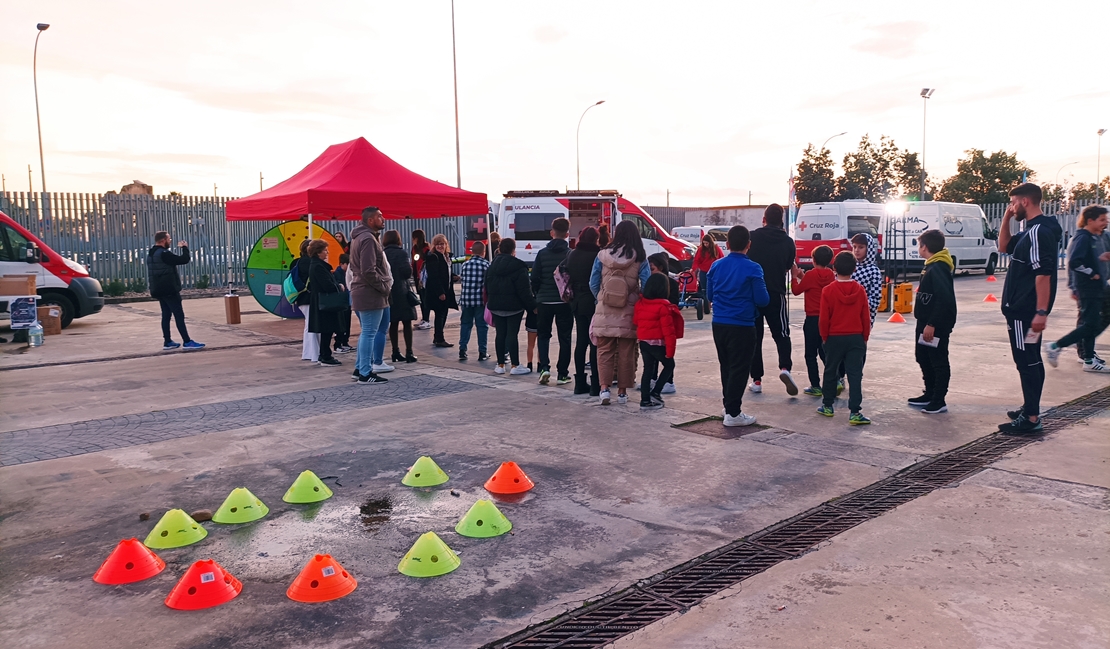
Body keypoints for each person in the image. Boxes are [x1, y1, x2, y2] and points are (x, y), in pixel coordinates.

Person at [997, 183, 1062, 434]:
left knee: (1026, 361)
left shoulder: (1038, 232)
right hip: (1022, 311)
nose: (1011, 208)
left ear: (1025, 201)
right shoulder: (1029, 232)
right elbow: (1003, 247)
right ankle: (1030, 407)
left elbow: (1043, 274)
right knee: (1030, 360)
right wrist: (1006, 218)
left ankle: (1031, 419)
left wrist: (1041, 311)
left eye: (1013, 203)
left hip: (1024, 312)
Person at [707, 225, 768, 426]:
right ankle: (733, 413)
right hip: (742, 324)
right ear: (748, 245)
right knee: (740, 368)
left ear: (727, 244)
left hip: (719, 323)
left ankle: (728, 406)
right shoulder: (754, 268)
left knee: (726, 366)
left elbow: (709, 294)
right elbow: (762, 299)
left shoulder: (716, 266)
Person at [591, 220, 651, 405]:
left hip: (604, 309)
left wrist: (602, 297)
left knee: (604, 350)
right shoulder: (640, 257)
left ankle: (604, 390)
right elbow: (647, 284)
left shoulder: (601, 255)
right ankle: (623, 393)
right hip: (629, 311)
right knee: (626, 351)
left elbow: (593, 283)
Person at [1046, 205, 1110, 373]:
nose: (1106, 222)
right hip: (1088, 288)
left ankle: (1087, 355)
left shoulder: (1100, 236)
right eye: (1102, 219)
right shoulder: (1083, 238)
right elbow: (1075, 262)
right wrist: (1092, 273)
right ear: (1090, 221)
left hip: (1101, 286)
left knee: (1094, 322)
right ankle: (1056, 346)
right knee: (1089, 324)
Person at [746, 203, 799, 396]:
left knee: (754, 337)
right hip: (776, 293)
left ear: (764, 219)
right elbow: (787, 266)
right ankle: (785, 368)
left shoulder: (752, 237)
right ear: (782, 221)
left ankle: (756, 380)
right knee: (782, 334)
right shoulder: (787, 242)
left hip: (753, 295)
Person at [817, 252, 872, 425]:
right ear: (855, 269)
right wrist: (865, 337)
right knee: (855, 374)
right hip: (856, 337)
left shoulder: (828, 291)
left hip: (834, 337)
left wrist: (824, 337)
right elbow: (865, 316)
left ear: (834, 268)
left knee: (830, 370)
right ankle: (855, 412)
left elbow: (824, 318)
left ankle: (827, 405)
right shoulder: (860, 290)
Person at [908, 230, 957, 414]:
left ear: (925, 247)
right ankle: (929, 393)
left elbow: (944, 299)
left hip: (934, 324)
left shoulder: (938, 268)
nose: (918, 248)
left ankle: (939, 399)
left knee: (938, 360)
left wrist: (932, 323)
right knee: (922, 356)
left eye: (919, 245)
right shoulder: (930, 265)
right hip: (924, 321)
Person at [349, 206, 394, 384]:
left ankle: (360, 368)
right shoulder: (367, 238)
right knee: (369, 332)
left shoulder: (361, 237)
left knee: (367, 332)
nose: (383, 219)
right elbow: (368, 270)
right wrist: (383, 286)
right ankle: (365, 373)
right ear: (370, 220)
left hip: (364, 291)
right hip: (369, 293)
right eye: (379, 217)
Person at [531, 217, 574, 385]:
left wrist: (538, 294)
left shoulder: (542, 253)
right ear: (567, 234)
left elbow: (534, 277)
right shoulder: (570, 254)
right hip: (564, 302)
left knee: (543, 335)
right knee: (565, 338)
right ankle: (562, 374)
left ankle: (544, 369)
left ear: (552, 233)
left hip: (544, 301)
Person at [485, 237, 536, 375]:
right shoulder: (519, 266)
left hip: (495, 306)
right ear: (513, 250)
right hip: (514, 306)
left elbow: (486, 286)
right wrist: (532, 306)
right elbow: (524, 290)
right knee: (512, 335)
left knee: (500, 334)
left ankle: (500, 364)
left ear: (500, 249)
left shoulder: (492, 266)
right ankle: (515, 365)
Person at [147, 231, 204, 350]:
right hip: (169, 289)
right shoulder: (164, 253)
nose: (170, 241)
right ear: (163, 240)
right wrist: (184, 248)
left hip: (158, 289)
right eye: (169, 239)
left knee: (166, 315)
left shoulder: (151, 254)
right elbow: (184, 260)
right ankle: (187, 342)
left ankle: (167, 342)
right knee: (179, 315)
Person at [790, 244, 835, 396]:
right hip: (827, 320)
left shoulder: (810, 275)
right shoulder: (831, 275)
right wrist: (803, 277)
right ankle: (833, 381)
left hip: (812, 320)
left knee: (810, 354)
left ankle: (815, 385)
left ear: (813, 260)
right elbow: (814, 284)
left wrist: (795, 277)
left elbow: (796, 291)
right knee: (825, 353)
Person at [633, 273, 680, 411]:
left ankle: (645, 400)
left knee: (648, 369)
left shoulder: (640, 303)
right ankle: (656, 392)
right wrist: (670, 352)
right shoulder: (664, 306)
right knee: (669, 365)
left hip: (643, 341)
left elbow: (636, 321)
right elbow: (668, 331)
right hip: (658, 343)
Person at [567, 225, 601, 395]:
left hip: (577, 301)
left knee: (581, 342)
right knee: (595, 342)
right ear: (596, 239)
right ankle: (596, 384)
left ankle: (579, 382)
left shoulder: (572, 254)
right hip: (593, 301)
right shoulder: (598, 255)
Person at [382, 230, 418, 364]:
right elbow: (407, 273)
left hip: (388, 292)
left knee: (393, 322)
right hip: (402, 291)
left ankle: (395, 351)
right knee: (407, 322)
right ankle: (409, 352)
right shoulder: (401, 253)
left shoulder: (383, 253)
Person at [306, 239, 342, 367]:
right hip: (325, 301)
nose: (327, 252)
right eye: (325, 250)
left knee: (327, 329)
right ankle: (326, 355)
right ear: (318, 252)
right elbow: (327, 285)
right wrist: (339, 286)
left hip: (321, 301)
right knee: (327, 329)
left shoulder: (317, 265)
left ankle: (325, 354)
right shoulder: (318, 266)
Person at [647, 252, 680, 394]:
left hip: (665, 324)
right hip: (652, 324)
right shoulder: (649, 281)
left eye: (652, 269)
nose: (650, 272)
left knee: (667, 354)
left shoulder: (671, 283)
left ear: (661, 267)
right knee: (651, 354)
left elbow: (674, 303)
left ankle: (668, 381)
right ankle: (652, 378)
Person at [458, 241, 491, 361]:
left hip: (466, 300)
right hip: (480, 301)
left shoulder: (465, 265)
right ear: (484, 252)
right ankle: (482, 352)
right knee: (482, 326)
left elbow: (462, 281)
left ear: (472, 252)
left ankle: (462, 350)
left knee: (465, 325)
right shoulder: (486, 265)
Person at [424, 233, 459, 347]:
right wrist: (440, 292)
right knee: (440, 314)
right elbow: (434, 276)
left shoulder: (446, 257)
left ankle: (437, 337)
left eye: (442, 244)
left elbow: (444, 273)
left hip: (446, 289)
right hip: (437, 292)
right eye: (437, 244)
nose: (440, 246)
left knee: (443, 313)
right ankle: (439, 338)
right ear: (434, 245)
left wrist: (453, 276)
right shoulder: (433, 257)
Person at [291, 239, 318, 362]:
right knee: (313, 325)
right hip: (308, 297)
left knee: (308, 325)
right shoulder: (309, 262)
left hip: (301, 297)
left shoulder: (297, 262)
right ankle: (314, 354)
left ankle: (308, 353)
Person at [850, 233, 883, 326]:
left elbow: (875, 298)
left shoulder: (874, 271)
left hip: (862, 318)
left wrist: (856, 304)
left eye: (861, 247)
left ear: (869, 249)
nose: (856, 250)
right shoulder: (849, 266)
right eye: (854, 247)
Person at [691, 234, 722, 313]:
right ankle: (706, 306)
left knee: (714, 289)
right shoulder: (701, 249)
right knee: (704, 290)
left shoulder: (716, 248)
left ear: (710, 242)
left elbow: (721, 258)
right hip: (704, 272)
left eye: (707, 243)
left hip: (714, 272)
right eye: (704, 243)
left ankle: (713, 305)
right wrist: (695, 269)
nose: (705, 245)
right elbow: (696, 260)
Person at [331, 253, 353, 354]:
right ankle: (338, 344)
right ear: (341, 264)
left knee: (347, 323)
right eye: (347, 265)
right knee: (341, 324)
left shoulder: (348, 273)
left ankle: (345, 342)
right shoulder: (337, 273)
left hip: (347, 302)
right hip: (341, 302)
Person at [412, 230, 432, 330]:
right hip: (417, 277)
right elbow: (413, 262)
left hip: (424, 278)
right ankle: (424, 319)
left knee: (425, 298)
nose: (412, 240)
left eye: (413, 238)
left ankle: (427, 319)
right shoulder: (414, 249)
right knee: (421, 298)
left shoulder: (426, 249)